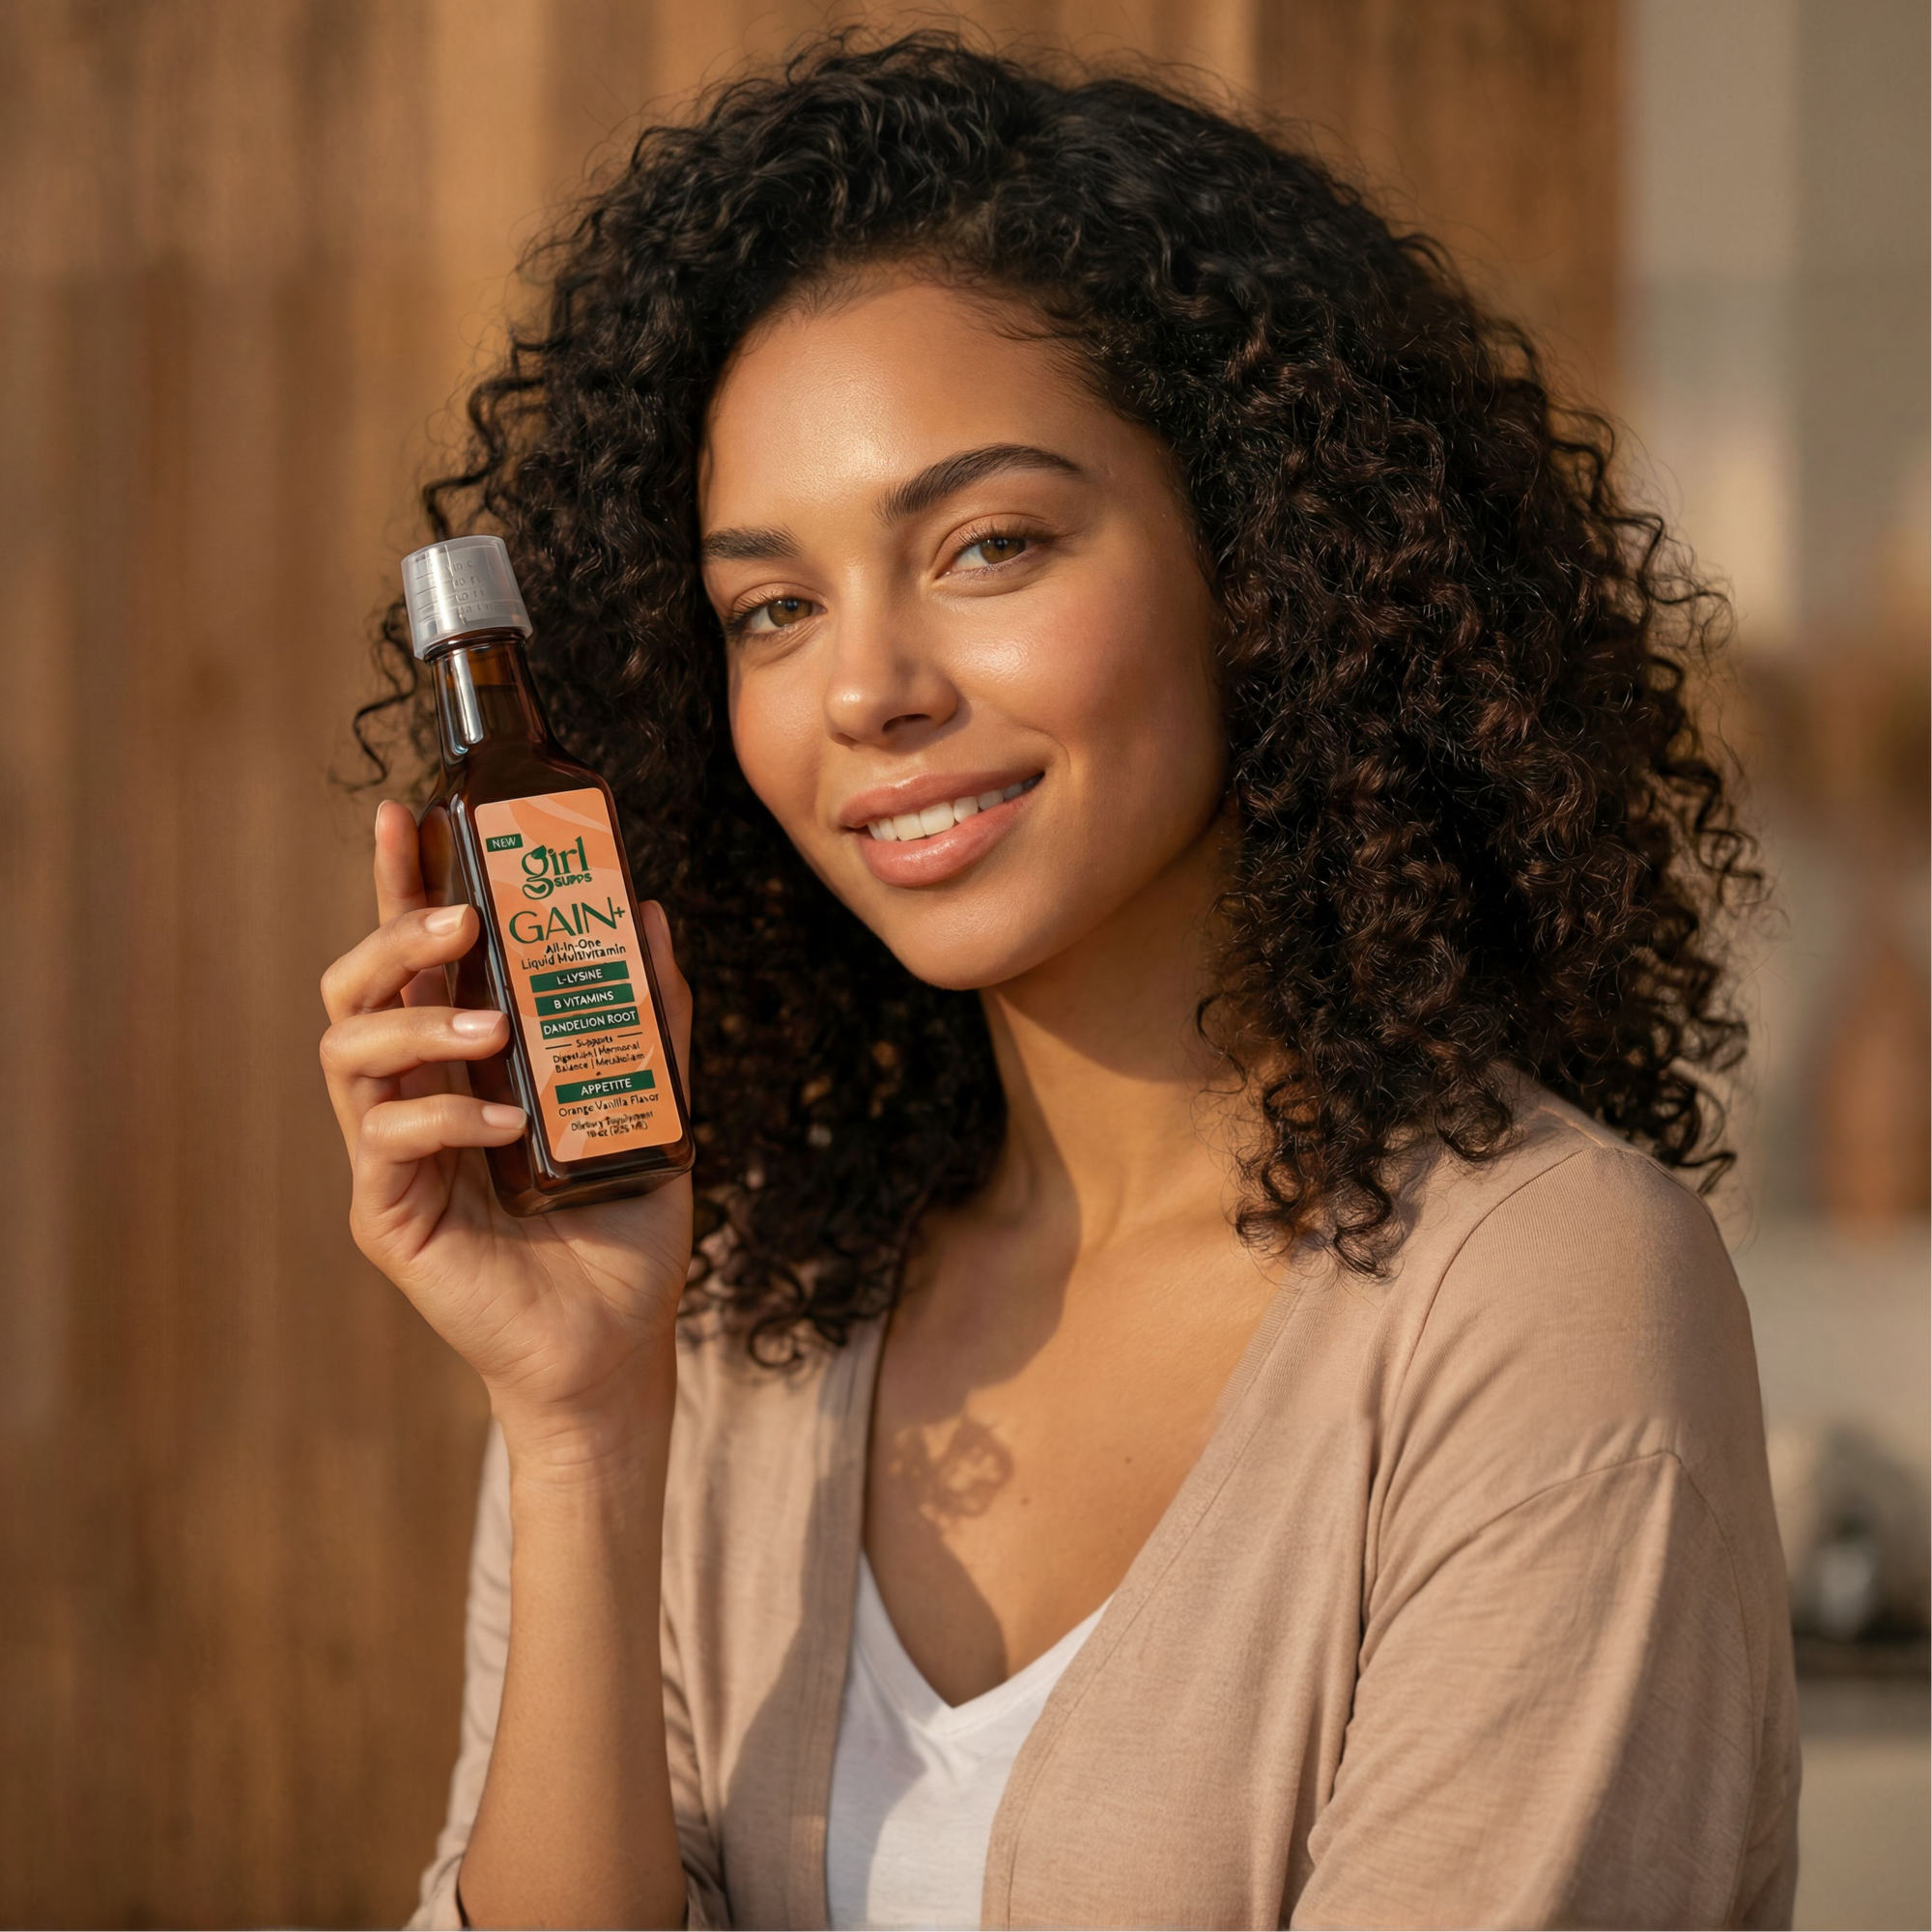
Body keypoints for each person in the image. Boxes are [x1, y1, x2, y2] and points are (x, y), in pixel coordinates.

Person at [321, 34, 1798, 1931]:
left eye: (987, 543)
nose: (868, 688)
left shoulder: (1536, 1294)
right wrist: (584, 1429)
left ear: (1256, 562)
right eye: (773, 605)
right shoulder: (727, 1311)